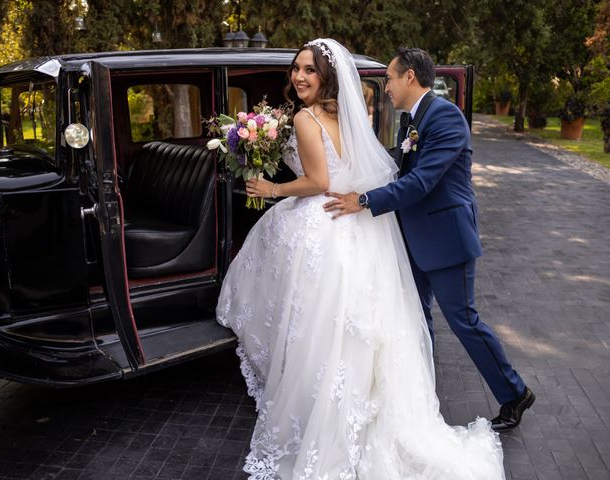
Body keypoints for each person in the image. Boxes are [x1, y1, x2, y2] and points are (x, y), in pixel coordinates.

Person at [217, 39, 505, 479]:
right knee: (361, 326)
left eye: (309, 70)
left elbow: (319, 179)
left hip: (334, 218)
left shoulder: (306, 116)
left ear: (326, 76)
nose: (299, 76)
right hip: (356, 223)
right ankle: (370, 405)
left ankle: (322, 411)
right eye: (296, 69)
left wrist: (272, 189)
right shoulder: (343, 113)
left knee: (322, 323)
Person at [323, 47, 535, 433]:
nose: (385, 87)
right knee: (416, 320)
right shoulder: (411, 121)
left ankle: (514, 393)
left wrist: (366, 201)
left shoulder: (446, 119)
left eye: (388, 78)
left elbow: (421, 183)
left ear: (409, 77)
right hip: (413, 239)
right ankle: (420, 398)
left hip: (445, 239)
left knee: (464, 321)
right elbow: (399, 165)